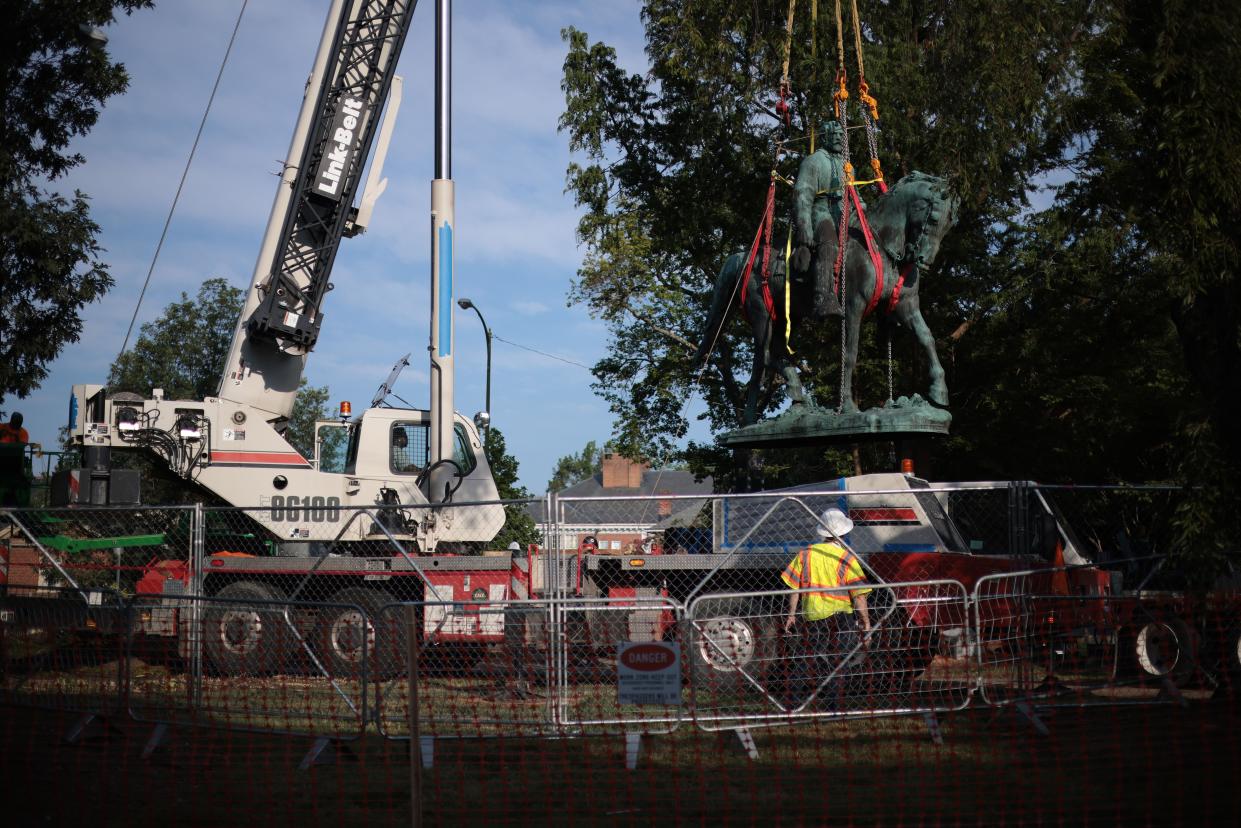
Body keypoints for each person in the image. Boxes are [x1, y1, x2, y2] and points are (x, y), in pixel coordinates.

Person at [780, 507, 872, 709]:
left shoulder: (806, 555)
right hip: (841, 616)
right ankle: (833, 703)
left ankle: (792, 699)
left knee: (808, 656)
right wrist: (865, 621)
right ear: (843, 533)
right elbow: (859, 595)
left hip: (814, 615)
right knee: (840, 659)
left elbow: (794, 587)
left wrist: (791, 615)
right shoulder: (846, 558)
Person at [791, 120, 859, 319]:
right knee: (829, 242)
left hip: (844, 212)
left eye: (841, 134)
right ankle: (823, 296)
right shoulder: (813, 161)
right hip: (820, 210)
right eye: (835, 134)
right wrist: (804, 227)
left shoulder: (847, 166)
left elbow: (856, 197)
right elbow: (802, 194)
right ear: (824, 137)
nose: (839, 138)